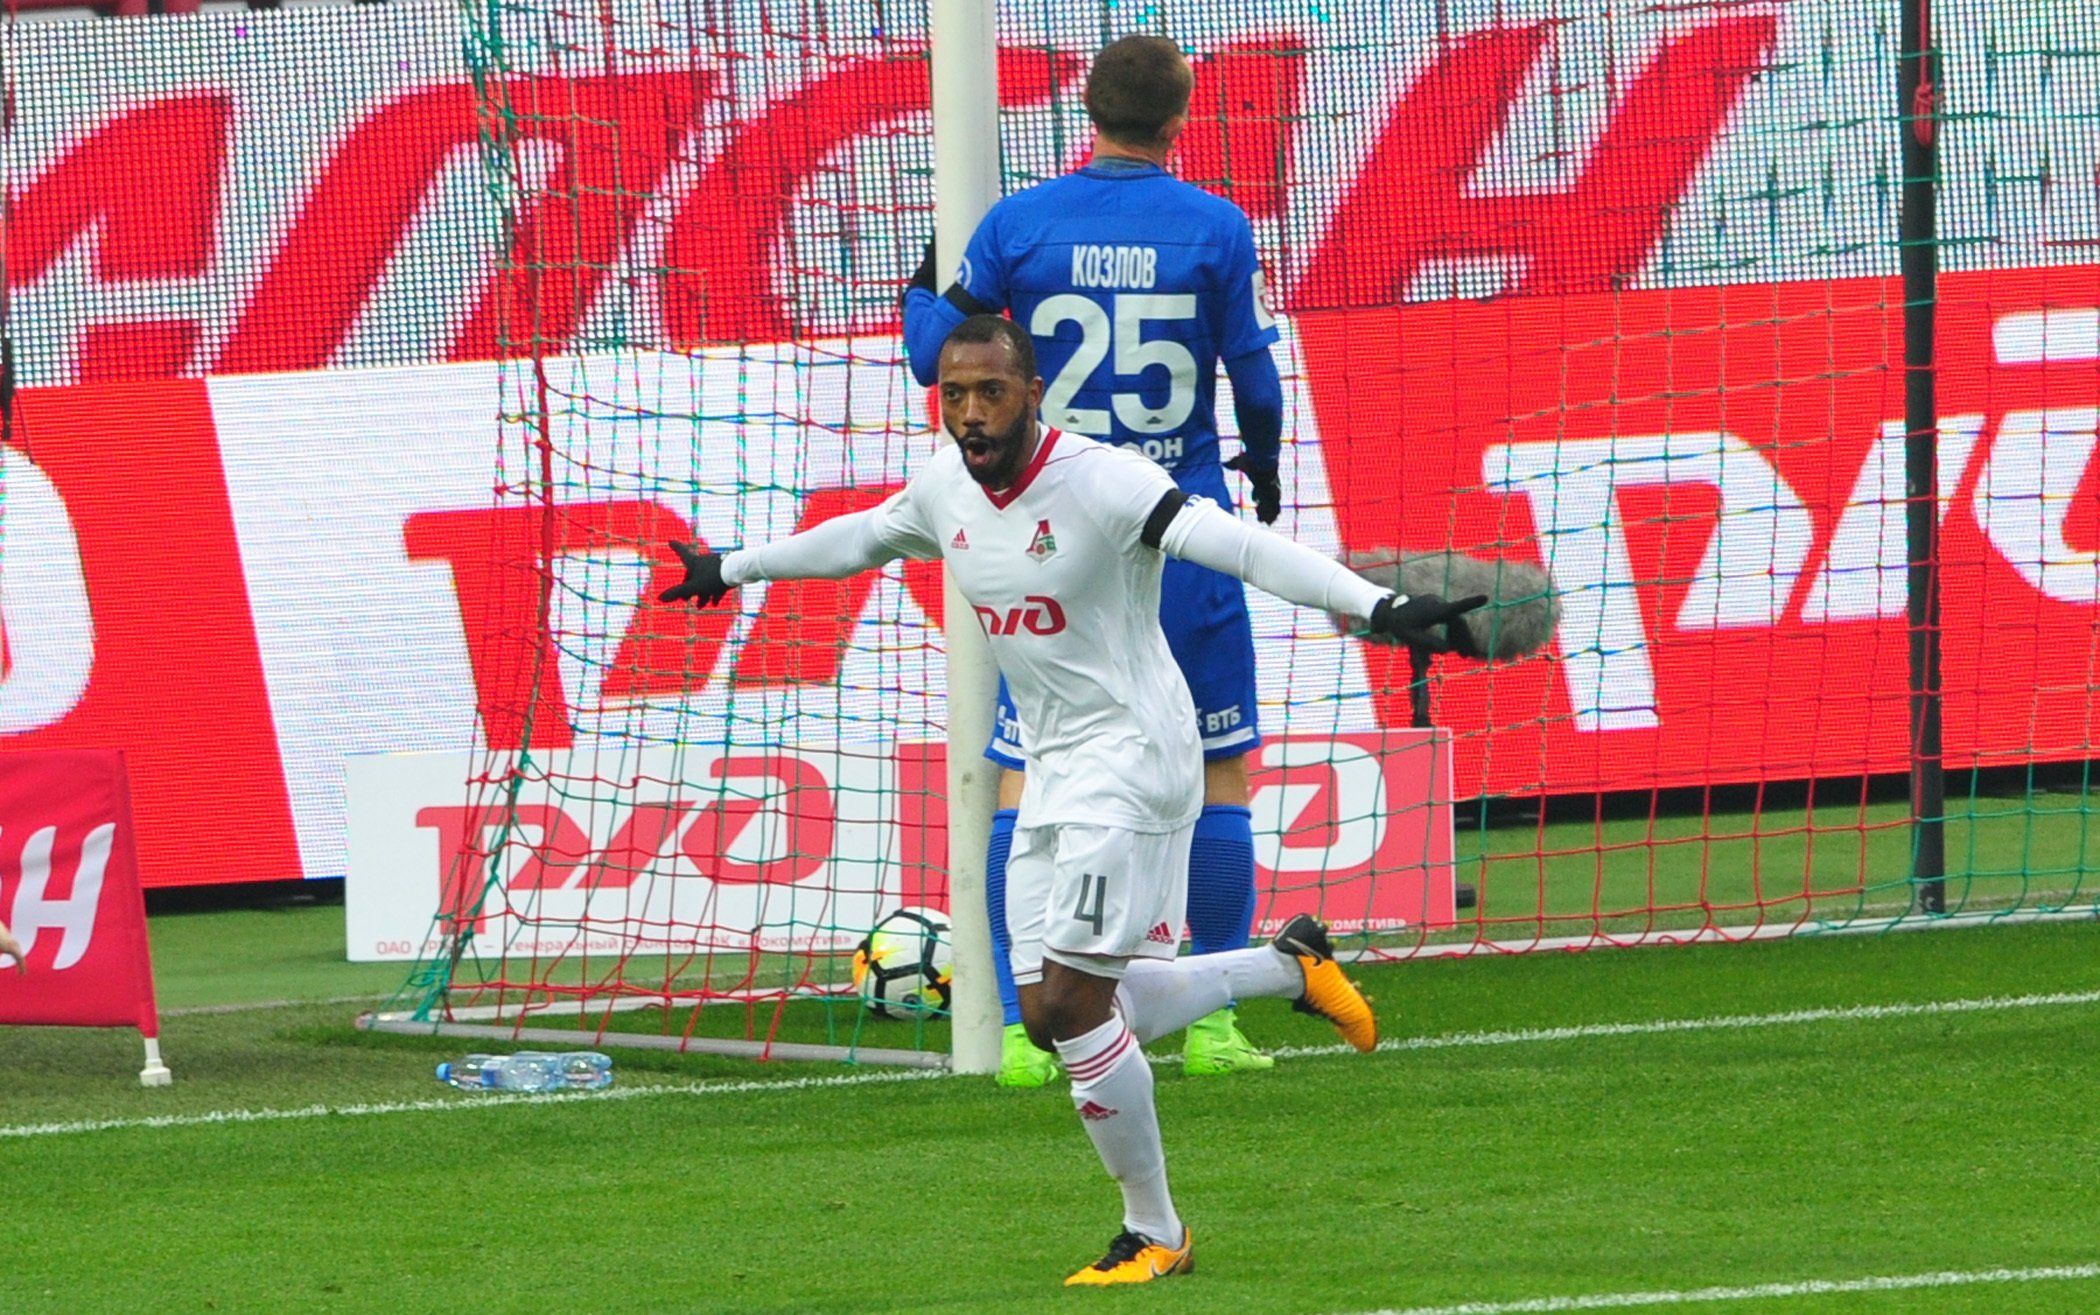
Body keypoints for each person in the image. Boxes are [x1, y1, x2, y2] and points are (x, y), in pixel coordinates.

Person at [662, 316, 1481, 1285]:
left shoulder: (1102, 481)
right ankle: (1284, 966)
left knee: (1074, 1000)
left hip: (1135, 756)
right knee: (1052, 1016)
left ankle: (1156, 1231)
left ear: (1033, 392)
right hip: (1052, 763)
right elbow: (860, 540)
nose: (971, 412)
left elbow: (1241, 548)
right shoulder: (945, 485)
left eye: (991, 391)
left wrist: (1377, 605)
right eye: (954, 394)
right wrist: (732, 567)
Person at [902, 35, 1291, 1083]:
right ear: (1180, 119)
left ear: (1088, 108)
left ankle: (1018, 1028)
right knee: (1217, 764)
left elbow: (933, 354)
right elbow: (1254, 380)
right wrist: (1261, 465)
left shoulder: (1018, 223)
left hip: (1056, 533)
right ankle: (1213, 1023)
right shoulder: (1216, 225)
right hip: (1176, 524)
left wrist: (919, 291)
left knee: (1031, 770)